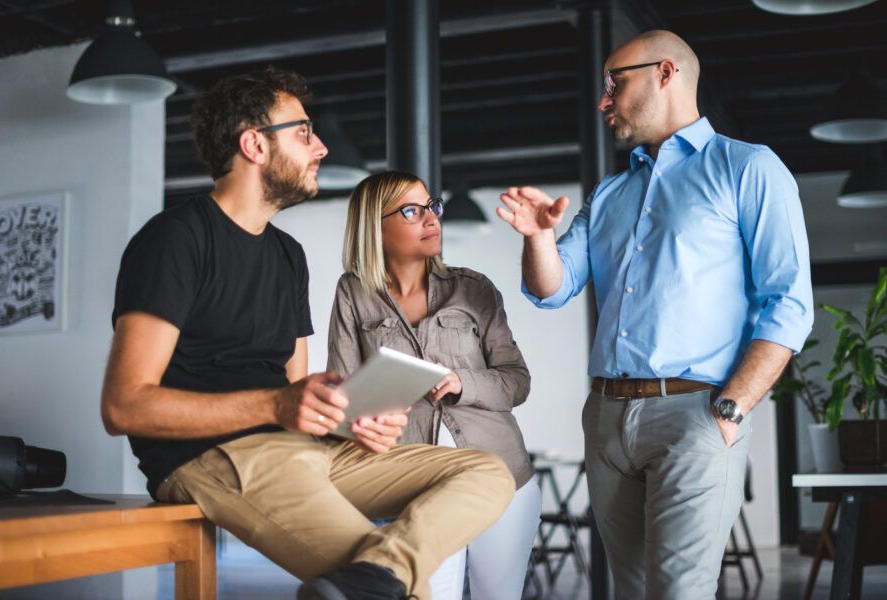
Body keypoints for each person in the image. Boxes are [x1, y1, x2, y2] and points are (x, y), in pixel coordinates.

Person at [100, 66, 514, 600]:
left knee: (487, 473)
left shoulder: (287, 255)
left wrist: (346, 419)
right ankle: (383, 578)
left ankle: (379, 573)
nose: (320, 147)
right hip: (212, 459)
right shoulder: (175, 239)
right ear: (254, 145)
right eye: (303, 132)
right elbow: (124, 407)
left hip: (307, 454)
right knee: (411, 593)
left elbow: (299, 393)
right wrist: (277, 406)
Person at [497, 30, 813, 599]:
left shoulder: (748, 168)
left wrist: (728, 411)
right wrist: (539, 237)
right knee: (629, 589)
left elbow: (788, 303)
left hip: (696, 414)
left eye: (614, 82)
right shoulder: (612, 192)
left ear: (665, 73)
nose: (603, 99)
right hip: (607, 417)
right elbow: (553, 286)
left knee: (679, 592)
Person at [327, 170, 541, 600]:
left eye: (432, 206)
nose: (431, 219)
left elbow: (517, 382)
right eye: (411, 210)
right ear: (376, 226)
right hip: (416, 484)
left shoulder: (473, 288)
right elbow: (344, 400)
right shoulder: (353, 292)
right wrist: (365, 416)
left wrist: (463, 381)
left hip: (503, 475)